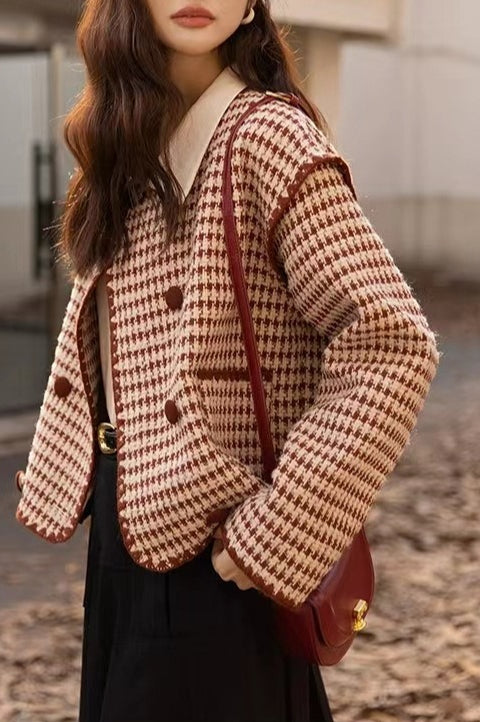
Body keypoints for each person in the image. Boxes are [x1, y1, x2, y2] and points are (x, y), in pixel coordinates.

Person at [14, 1, 441, 720]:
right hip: (130, 528)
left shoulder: (267, 137)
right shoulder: (129, 144)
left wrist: (280, 527)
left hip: (219, 544)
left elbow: (391, 343)